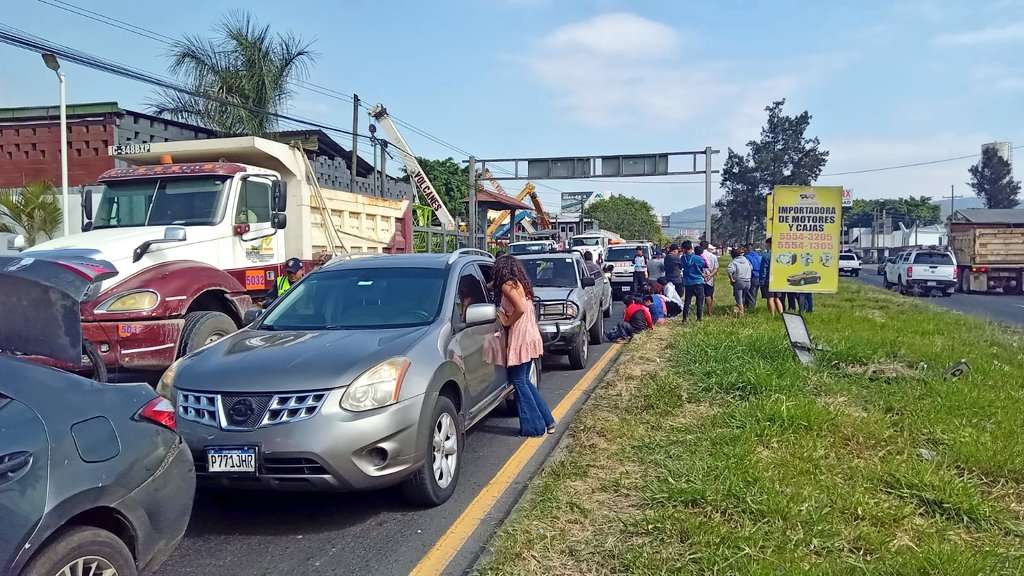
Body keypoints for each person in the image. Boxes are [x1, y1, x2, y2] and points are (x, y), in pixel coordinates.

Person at [493, 255, 555, 437]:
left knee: (519, 381)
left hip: (520, 334)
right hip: (530, 333)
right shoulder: (519, 284)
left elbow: (519, 308)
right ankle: (547, 420)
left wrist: (506, 321)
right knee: (524, 381)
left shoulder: (506, 286)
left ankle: (535, 427)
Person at [680, 240, 707, 321]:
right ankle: (699, 318)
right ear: (691, 247)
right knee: (700, 301)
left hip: (688, 282)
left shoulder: (682, 258)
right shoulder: (697, 258)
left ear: (684, 248)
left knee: (687, 301)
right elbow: (704, 265)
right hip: (698, 281)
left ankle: (685, 318)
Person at [760, 238, 783, 316]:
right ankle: (781, 314)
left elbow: (764, 269)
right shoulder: (779, 255)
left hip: (768, 280)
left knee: (770, 298)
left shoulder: (766, 256)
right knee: (777, 298)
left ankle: (772, 315)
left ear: (769, 244)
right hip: (777, 280)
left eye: (766, 244)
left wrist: (762, 281)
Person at [727, 247, 752, 315]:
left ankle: (741, 313)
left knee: (739, 299)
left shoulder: (734, 261)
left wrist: (731, 278)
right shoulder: (747, 261)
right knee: (743, 297)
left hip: (739, 281)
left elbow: (729, 270)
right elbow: (751, 268)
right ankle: (741, 310)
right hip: (748, 282)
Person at [700, 240, 719, 316]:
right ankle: (709, 311)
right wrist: (710, 275)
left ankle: (700, 310)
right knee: (708, 295)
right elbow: (716, 268)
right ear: (707, 247)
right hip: (710, 279)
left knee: (700, 295)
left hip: (700, 277)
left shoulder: (698, 255)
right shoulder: (713, 256)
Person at [743, 244, 761, 311]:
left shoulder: (746, 257)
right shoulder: (758, 255)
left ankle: (750, 309)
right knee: (754, 293)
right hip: (759, 276)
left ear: (746, 249)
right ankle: (752, 306)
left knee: (749, 293)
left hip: (752, 276)